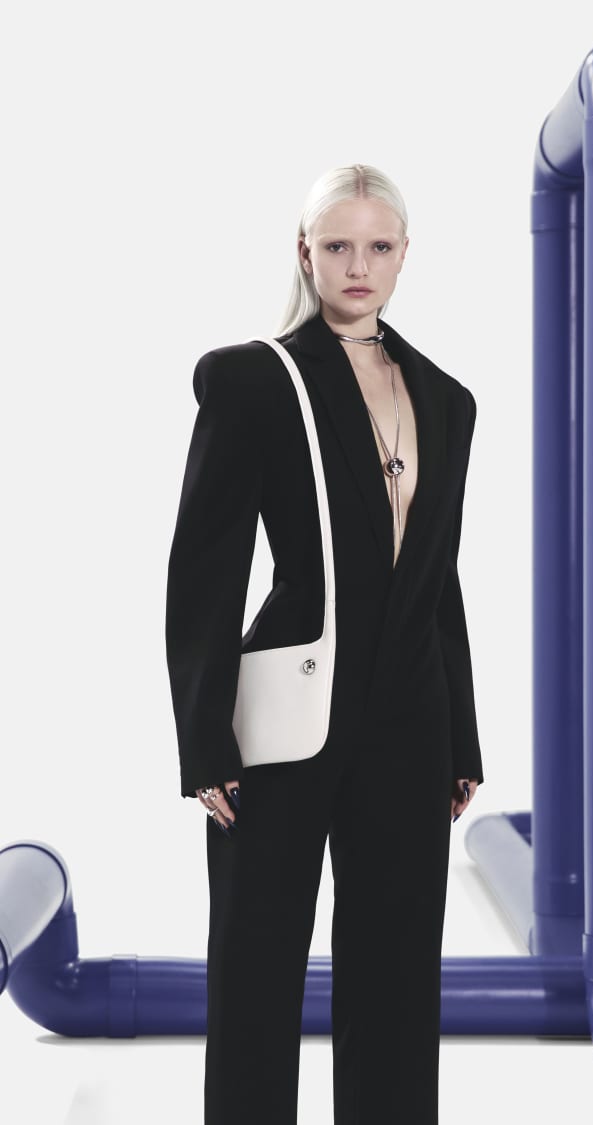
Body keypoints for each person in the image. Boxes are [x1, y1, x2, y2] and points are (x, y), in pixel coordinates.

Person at [165, 163, 484, 1125]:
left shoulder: (448, 399)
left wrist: (462, 735)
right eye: (337, 245)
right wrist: (203, 739)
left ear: (404, 255)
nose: (357, 265)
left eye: (378, 246)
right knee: (256, 963)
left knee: (397, 975)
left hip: (411, 721)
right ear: (303, 252)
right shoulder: (254, 379)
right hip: (285, 716)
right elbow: (206, 570)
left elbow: (437, 578)